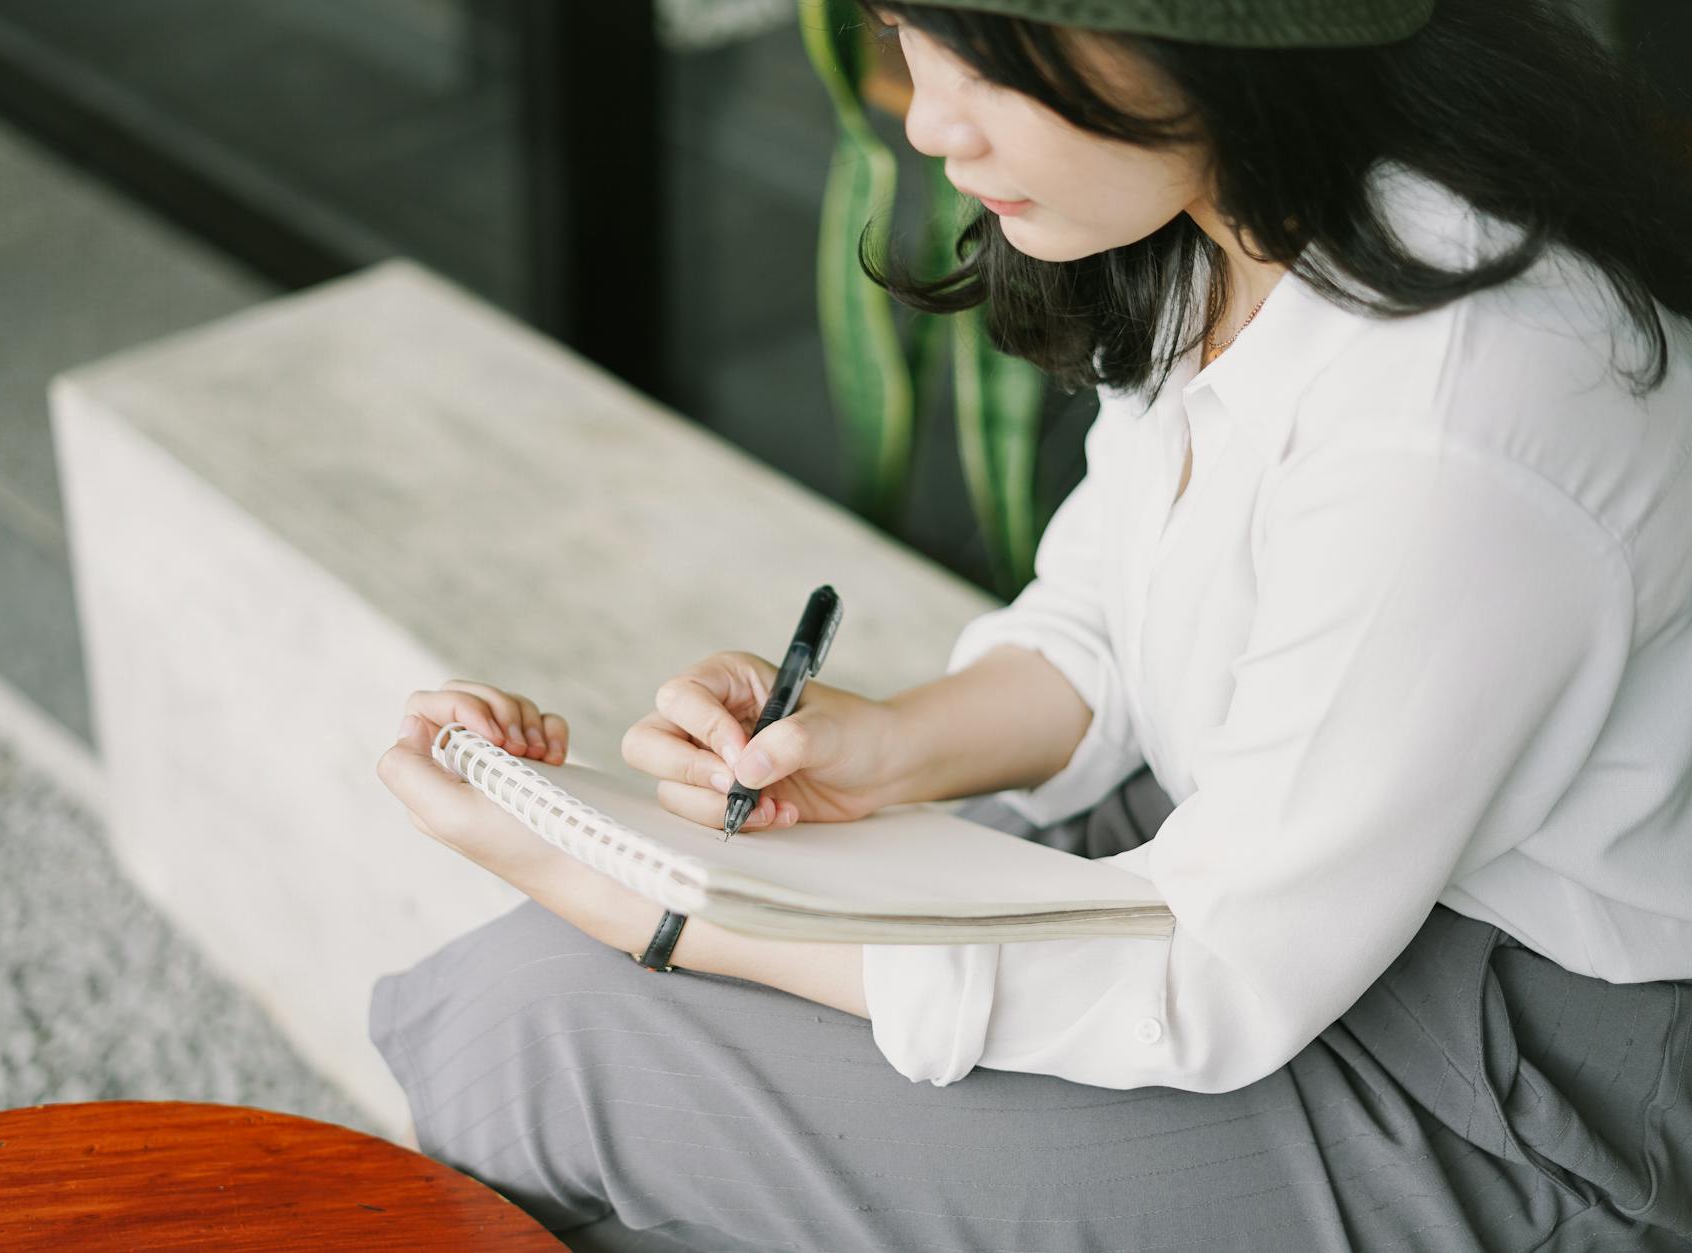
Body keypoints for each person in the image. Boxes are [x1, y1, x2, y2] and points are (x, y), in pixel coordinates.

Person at [368, 0, 1692, 1248]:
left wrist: (646, 902)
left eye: (989, 56)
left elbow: (1214, 976)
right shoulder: (1239, 233)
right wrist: (883, 741)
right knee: (546, 998)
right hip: (1243, 881)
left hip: (1511, 1078)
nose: (930, 122)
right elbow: (1110, 616)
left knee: (549, 1038)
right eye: (904, 34)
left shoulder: (1459, 411)